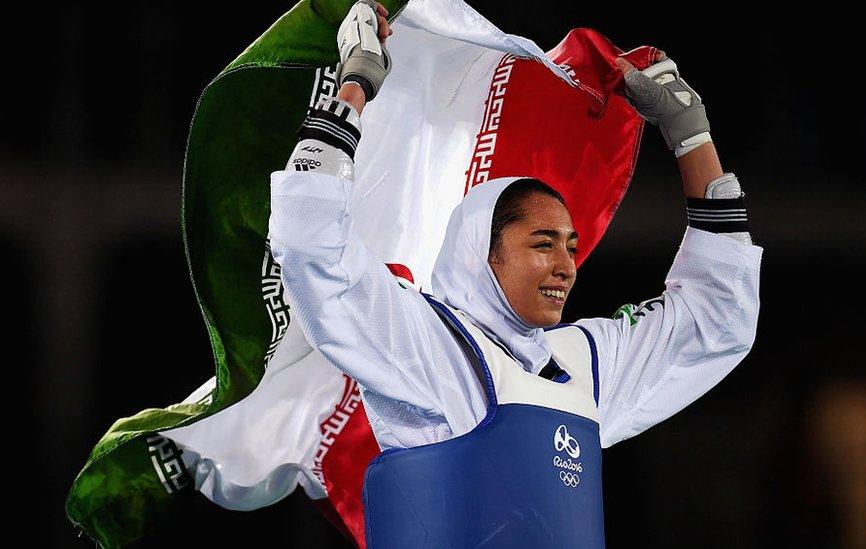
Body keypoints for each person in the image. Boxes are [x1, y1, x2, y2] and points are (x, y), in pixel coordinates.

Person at [268, 1, 763, 547]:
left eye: (571, 247)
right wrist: (356, 86)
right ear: (485, 251)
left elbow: (717, 321)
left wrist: (691, 133)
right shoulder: (431, 348)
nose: (566, 266)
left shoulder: (585, 368)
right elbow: (311, 246)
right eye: (543, 244)